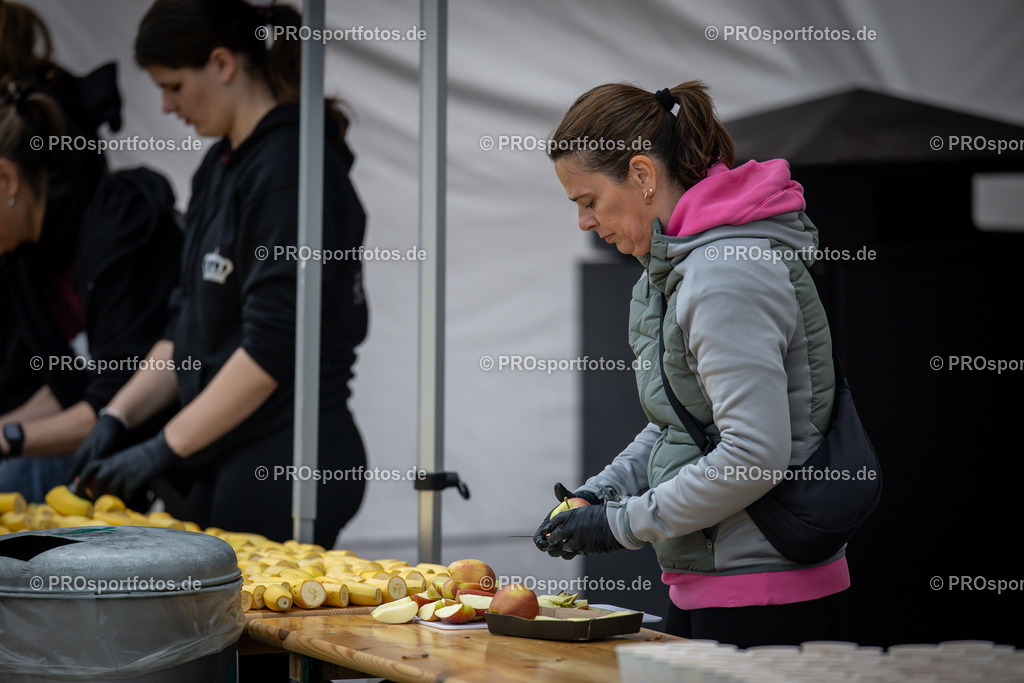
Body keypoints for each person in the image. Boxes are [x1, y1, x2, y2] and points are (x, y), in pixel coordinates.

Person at [533, 81, 849, 648]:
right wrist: (601, 493)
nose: (584, 223)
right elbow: (679, 424)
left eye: (588, 202)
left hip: (763, 590)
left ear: (643, 175)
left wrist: (617, 524)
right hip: (718, 580)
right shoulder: (683, 265)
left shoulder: (724, 272)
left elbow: (754, 455)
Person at [74, 0, 369, 549]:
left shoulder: (289, 166)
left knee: (245, 629)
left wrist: (162, 447)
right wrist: (117, 415)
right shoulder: (221, 164)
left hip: (287, 453)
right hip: (221, 448)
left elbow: (273, 347)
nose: (165, 105)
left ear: (223, 63)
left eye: (175, 85)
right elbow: (186, 322)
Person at [0, 75, 181, 503]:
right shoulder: (28, 256)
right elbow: (69, 384)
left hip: (172, 452)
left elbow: (111, 402)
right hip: (115, 439)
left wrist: (9, 437)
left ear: (7, 180)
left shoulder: (117, 233)